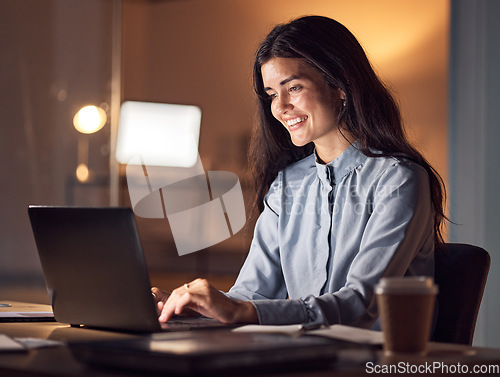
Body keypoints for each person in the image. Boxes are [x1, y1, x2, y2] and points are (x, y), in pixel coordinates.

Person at [152, 15, 447, 329]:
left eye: (293, 87)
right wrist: (191, 306)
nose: (279, 107)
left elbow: (361, 303)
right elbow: (252, 294)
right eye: (271, 95)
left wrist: (241, 311)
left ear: (341, 85)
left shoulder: (399, 179)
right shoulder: (286, 185)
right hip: (301, 355)